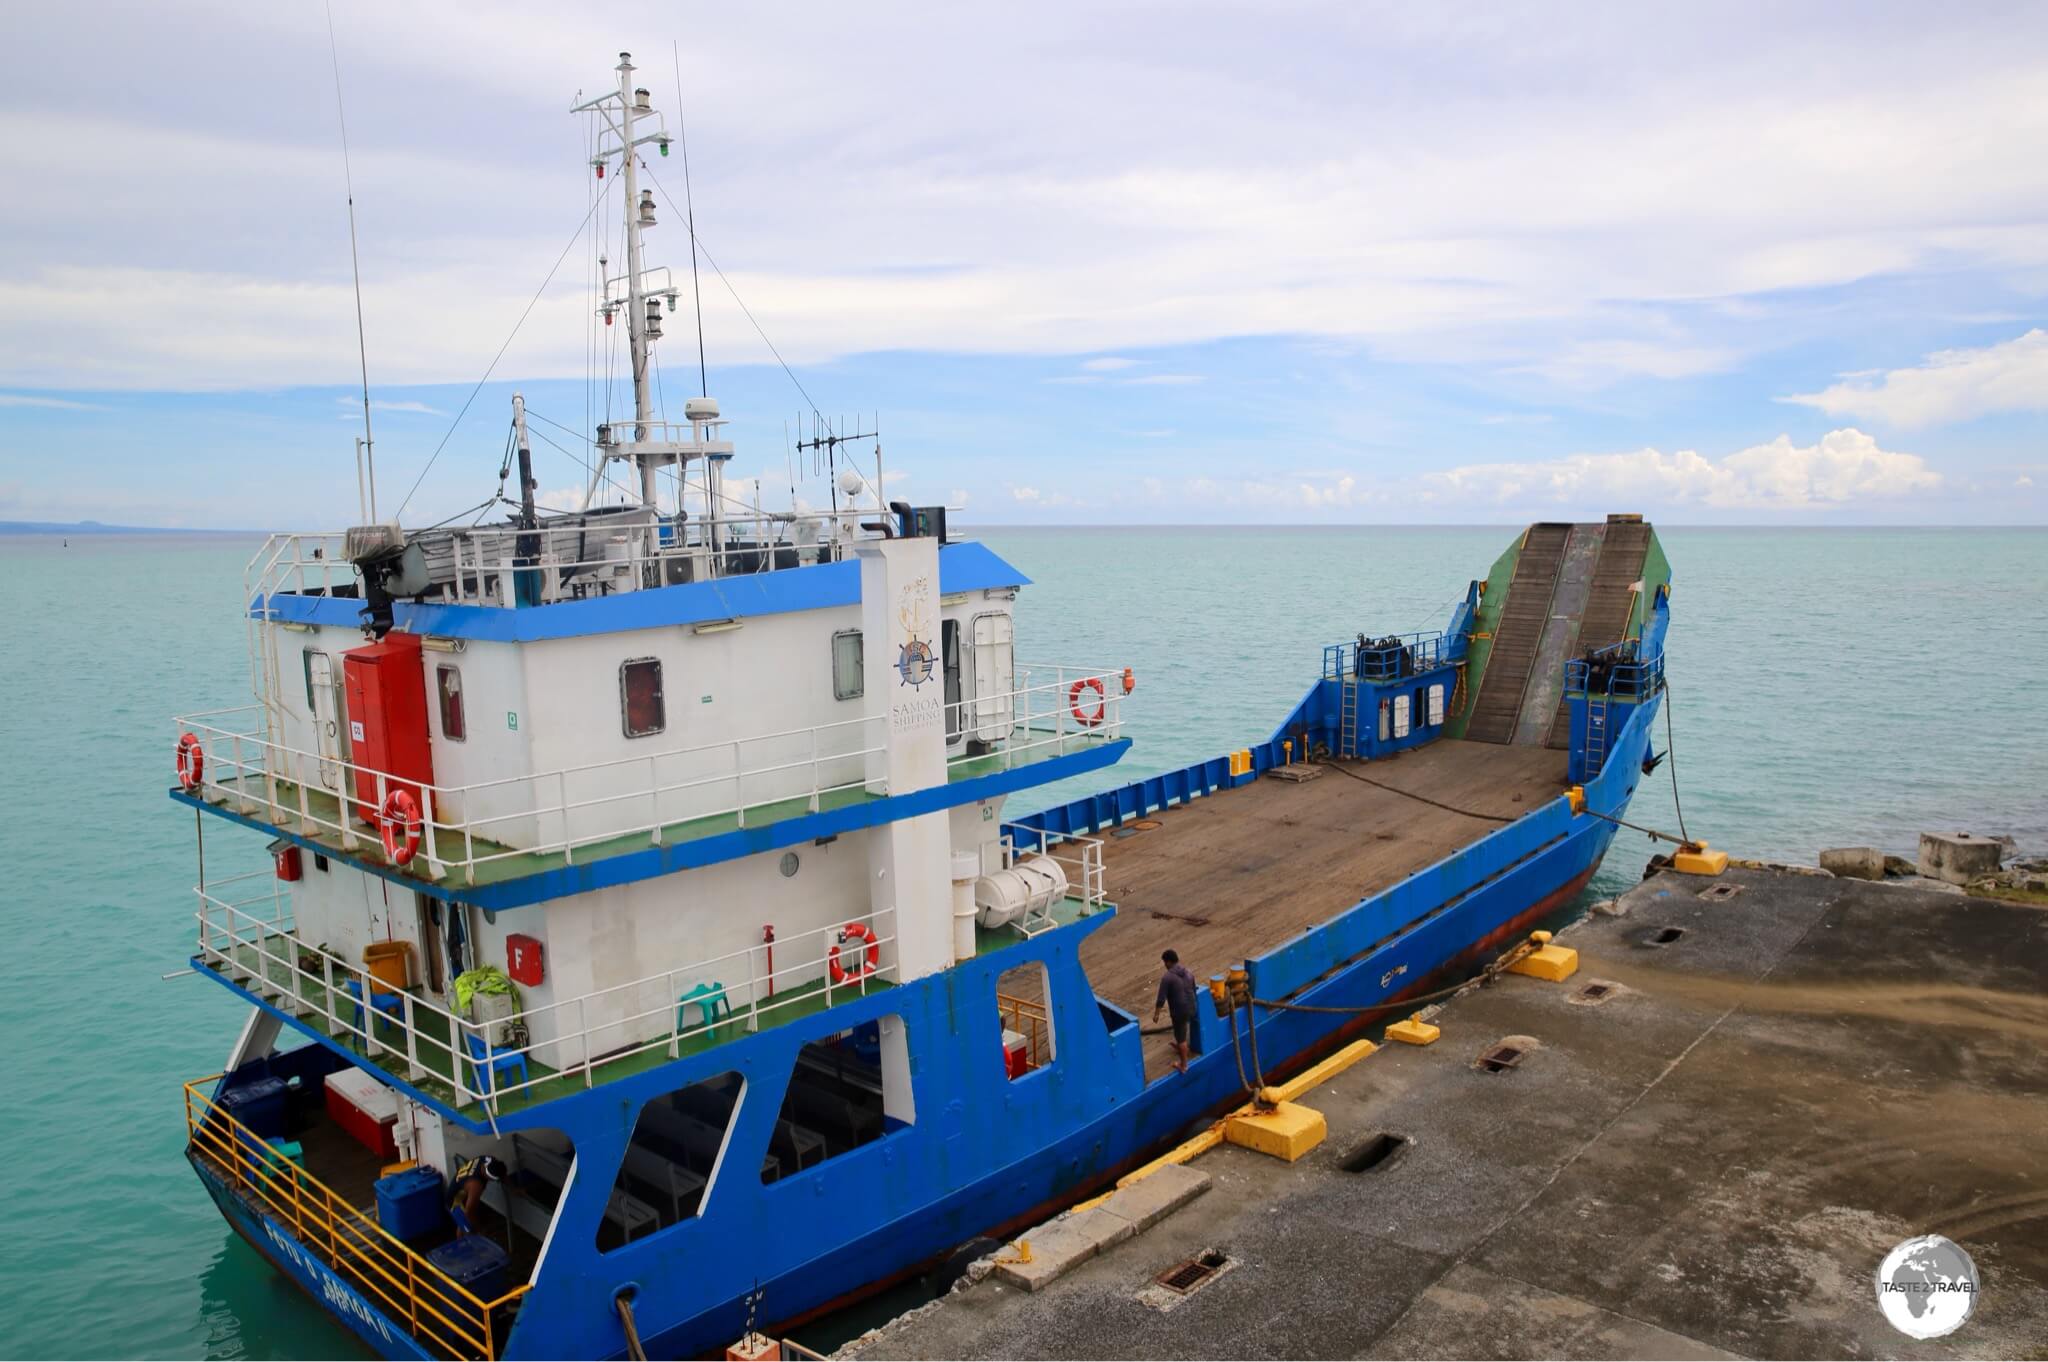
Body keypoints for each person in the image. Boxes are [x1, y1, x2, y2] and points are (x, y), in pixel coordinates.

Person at [1151, 949, 1197, 1075]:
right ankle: (1182, 1046)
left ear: (1169, 962)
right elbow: (1194, 988)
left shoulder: (1167, 977)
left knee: (1181, 1035)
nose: (1164, 965)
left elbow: (1161, 999)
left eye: (1165, 962)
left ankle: (1184, 1065)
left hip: (1179, 1011)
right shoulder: (1188, 972)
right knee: (1182, 1029)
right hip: (1192, 1007)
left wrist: (1156, 1014)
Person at [448, 1154, 508, 1234]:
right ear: (490, 1178)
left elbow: (503, 1175)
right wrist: (479, 1228)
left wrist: (514, 1189)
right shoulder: (476, 1186)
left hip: (463, 1186)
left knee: (469, 1223)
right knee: (467, 1228)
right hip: (455, 1201)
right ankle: (461, 1243)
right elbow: (469, 1211)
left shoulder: (488, 1159)